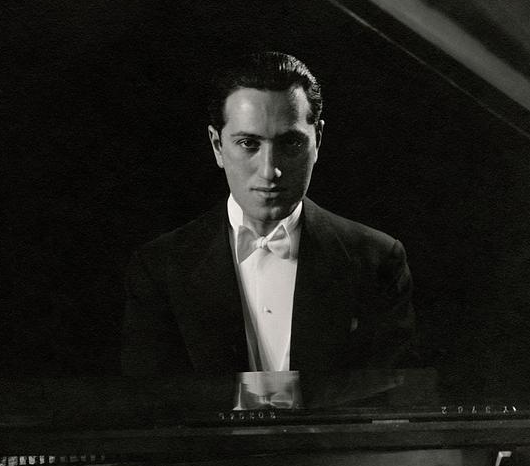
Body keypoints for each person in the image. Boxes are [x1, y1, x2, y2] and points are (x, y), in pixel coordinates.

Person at [121, 51, 415, 378]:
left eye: (290, 143)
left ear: (317, 139)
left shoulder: (378, 260)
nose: (269, 170)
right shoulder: (158, 267)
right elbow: (154, 405)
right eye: (249, 143)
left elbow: (389, 399)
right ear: (217, 146)